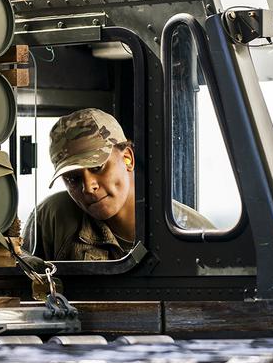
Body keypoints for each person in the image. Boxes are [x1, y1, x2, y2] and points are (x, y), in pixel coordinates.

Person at [22, 108, 214, 261]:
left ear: (128, 158)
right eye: (73, 178)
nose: (88, 187)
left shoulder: (191, 233)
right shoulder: (52, 217)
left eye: (97, 168)